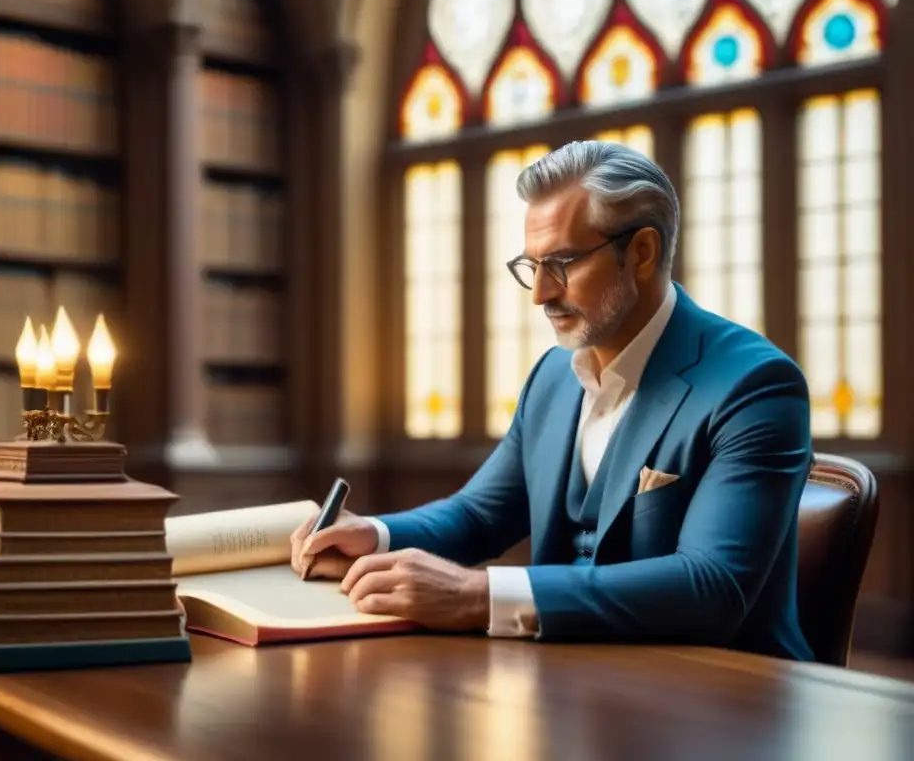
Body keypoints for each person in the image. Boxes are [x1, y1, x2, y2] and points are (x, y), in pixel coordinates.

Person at [290, 140, 815, 661]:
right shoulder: (552, 377)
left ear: (642, 253)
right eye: (531, 265)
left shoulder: (756, 384)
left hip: (728, 706)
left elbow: (712, 586)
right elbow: (478, 516)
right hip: (570, 681)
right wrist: (374, 536)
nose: (540, 293)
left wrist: (478, 596)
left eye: (562, 262)